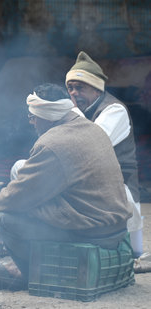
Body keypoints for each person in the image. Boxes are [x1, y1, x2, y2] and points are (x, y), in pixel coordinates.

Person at [0, 83, 132, 289]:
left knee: (6, 218)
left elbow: (21, 193)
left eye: (33, 117)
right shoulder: (93, 129)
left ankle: (30, 273)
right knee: (29, 204)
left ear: (46, 116)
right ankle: (26, 264)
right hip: (115, 230)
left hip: (93, 233)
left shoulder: (53, 143)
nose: (32, 122)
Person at [66, 51, 143, 257]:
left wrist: (72, 113)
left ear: (96, 88)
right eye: (70, 88)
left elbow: (90, 146)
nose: (73, 93)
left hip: (118, 189)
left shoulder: (114, 110)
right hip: (91, 186)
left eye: (80, 87)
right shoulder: (81, 111)